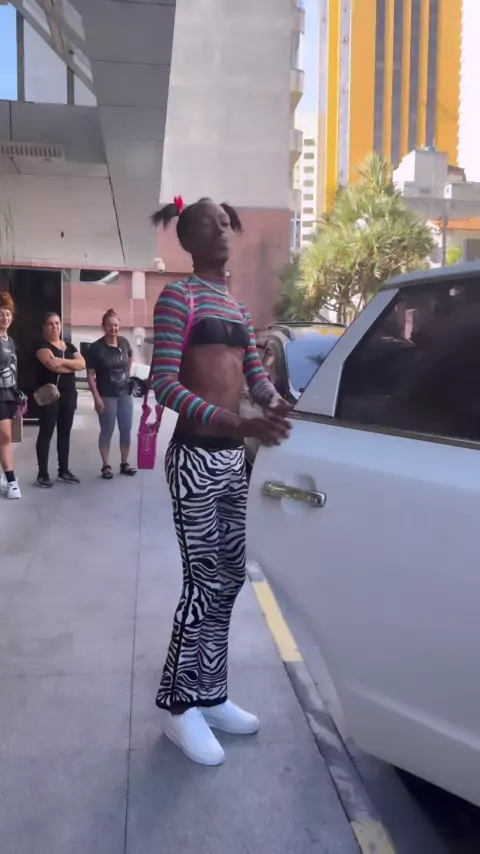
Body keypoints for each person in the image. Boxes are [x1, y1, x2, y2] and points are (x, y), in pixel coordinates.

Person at [151, 196, 291, 766]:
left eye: (225, 222)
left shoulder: (234, 304)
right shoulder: (177, 297)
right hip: (195, 458)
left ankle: (210, 694)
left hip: (233, 463)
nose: (223, 231)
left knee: (230, 578)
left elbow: (256, 376)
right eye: (209, 224)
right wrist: (235, 421)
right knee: (202, 581)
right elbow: (164, 384)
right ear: (188, 239)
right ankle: (178, 707)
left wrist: (279, 405)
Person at [35, 312, 85, 488]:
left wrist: (62, 361)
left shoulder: (69, 346)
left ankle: (63, 471)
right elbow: (53, 367)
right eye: (50, 324)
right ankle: (42, 474)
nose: (55, 327)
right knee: (46, 434)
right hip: (50, 396)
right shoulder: (42, 347)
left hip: (69, 395)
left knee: (65, 433)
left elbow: (82, 364)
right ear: (44, 327)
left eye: (57, 323)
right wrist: (72, 365)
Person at [86, 309, 137, 479]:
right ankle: (106, 465)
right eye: (109, 325)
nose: (113, 328)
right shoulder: (96, 348)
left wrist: (127, 374)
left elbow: (130, 356)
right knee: (107, 430)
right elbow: (90, 375)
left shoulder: (124, 342)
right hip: (106, 395)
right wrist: (96, 398)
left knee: (126, 428)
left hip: (125, 394)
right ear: (103, 326)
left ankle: (124, 463)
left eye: (115, 325)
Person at [0, 292, 21, 499]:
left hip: (9, 395)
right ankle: (12, 481)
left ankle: (4, 478)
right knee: (5, 438)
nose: (4, 317)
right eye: (0, 313)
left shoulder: (10, 340)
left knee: (4, 438)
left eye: (7, 313)